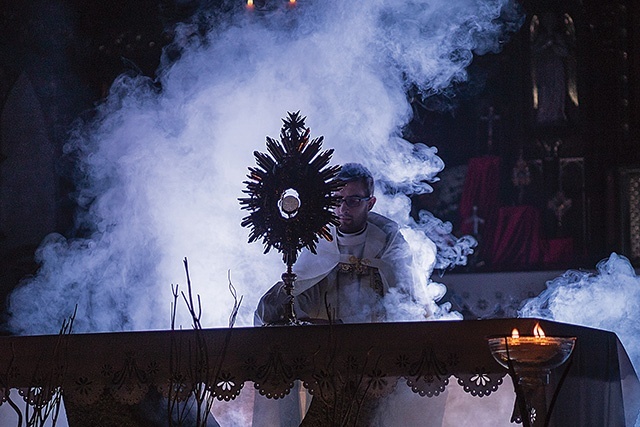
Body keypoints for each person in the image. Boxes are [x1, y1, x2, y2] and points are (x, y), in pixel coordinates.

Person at [255, 162, 426, 325]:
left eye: (354, 200)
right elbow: (282, 305)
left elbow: (408, 306)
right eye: (337, 200)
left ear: (370, 203)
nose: (343, 209)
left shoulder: (388, 240)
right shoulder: (321, 241)